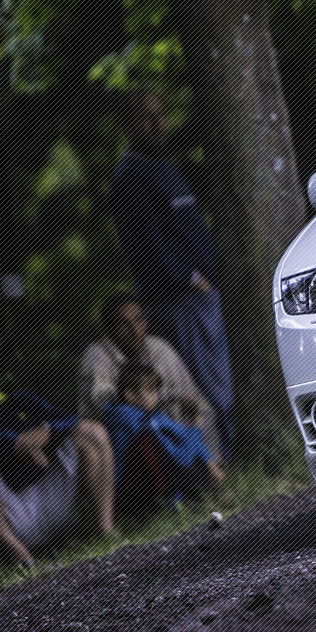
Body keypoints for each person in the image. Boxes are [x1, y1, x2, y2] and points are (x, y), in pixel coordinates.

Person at [111, 89, 234, 456]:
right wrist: (189, 279)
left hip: (202, 296)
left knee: (221, 382)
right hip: (180, 301)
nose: (157, 124)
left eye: (161, 114)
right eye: (147, 117)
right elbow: (148, 245)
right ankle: (218, 462)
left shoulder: (165, 168)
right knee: (207, 389)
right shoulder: (131, 178)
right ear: (129, 125)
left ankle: (225, 457)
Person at [0, 339, 114, 566]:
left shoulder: (20, 400)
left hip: (48, 498)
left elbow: (69, 420)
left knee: (93, 432)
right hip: (4, 518)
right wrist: (15, 443)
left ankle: (106, 533)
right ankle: (20, 558)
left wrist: (46, 431)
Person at [78, 290, 221, 461]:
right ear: (109, 329)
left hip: (163, 436)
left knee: (202, 409)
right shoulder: (96, 356)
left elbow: (192, 398)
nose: (134, 330)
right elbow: (109, 409)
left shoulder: (159, 349)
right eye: (124, 324)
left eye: (138, 320)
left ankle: (210, 466)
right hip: (118, 447)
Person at [102, 361, 223, 515]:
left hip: (151, 482)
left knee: (198, 461)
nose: (156, 396)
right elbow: (180, 459)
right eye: (150, 390)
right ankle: (174, 500)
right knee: (195, 469)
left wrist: (209, 461)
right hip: (130, 493)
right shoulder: (135, 422)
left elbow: (183, 433)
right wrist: (196, 423)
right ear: (130, 395)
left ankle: (183, 496)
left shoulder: (153, 416)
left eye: (156, 391)